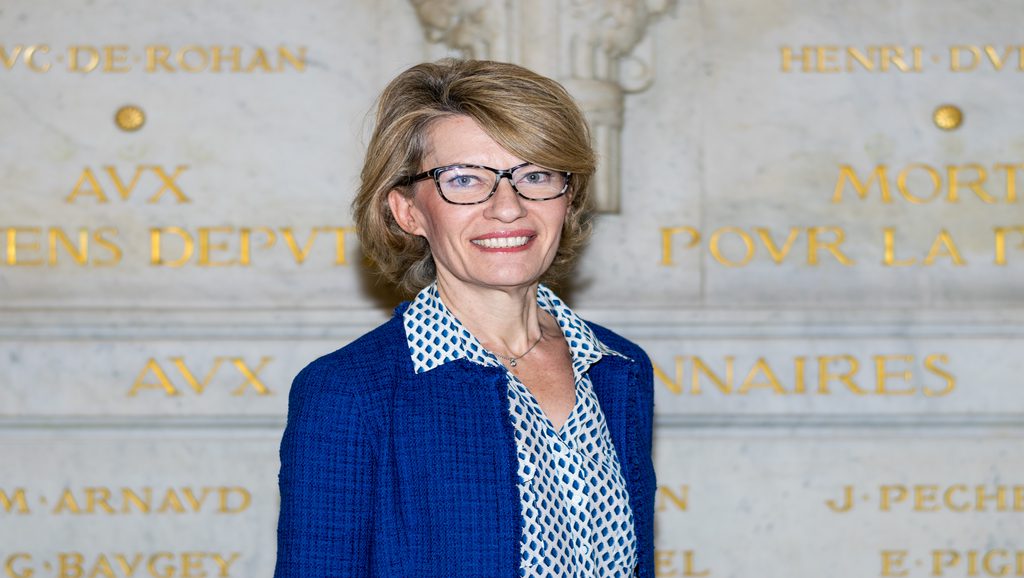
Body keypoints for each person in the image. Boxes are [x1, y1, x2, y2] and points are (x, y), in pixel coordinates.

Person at [275, 58, 656, 577]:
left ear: (568, 201)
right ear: (407, 211)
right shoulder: (350, 392)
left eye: (536, 175)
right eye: (464, 180)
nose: (507, 206)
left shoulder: (618, 368)